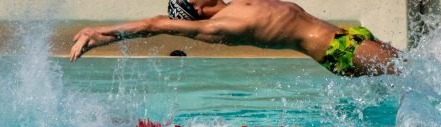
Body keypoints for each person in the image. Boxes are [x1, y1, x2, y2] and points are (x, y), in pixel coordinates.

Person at [69, 0, 401, 77]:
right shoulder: (216, 27)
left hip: (350, 37)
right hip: (337, 49)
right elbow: (156, 24)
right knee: (416, 78)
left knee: (421, 74)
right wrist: (101, 34)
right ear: (194, 8)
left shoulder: (234, 6)